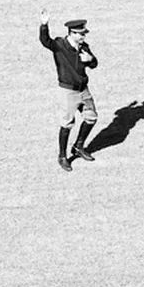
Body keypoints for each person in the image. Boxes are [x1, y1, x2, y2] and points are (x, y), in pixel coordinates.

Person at [39, 9, 99, 171]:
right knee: (67, 124)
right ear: (72, 33)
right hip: (68, 92)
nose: (84, 36)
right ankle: (62, 156)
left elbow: (94, 64)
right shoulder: (60, 45)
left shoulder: (84, 47)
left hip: (83, 90)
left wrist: (90, 59)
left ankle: (78, 147)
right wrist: (44, 25)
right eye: (81, 34)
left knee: (91, 117)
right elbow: (45, 41)